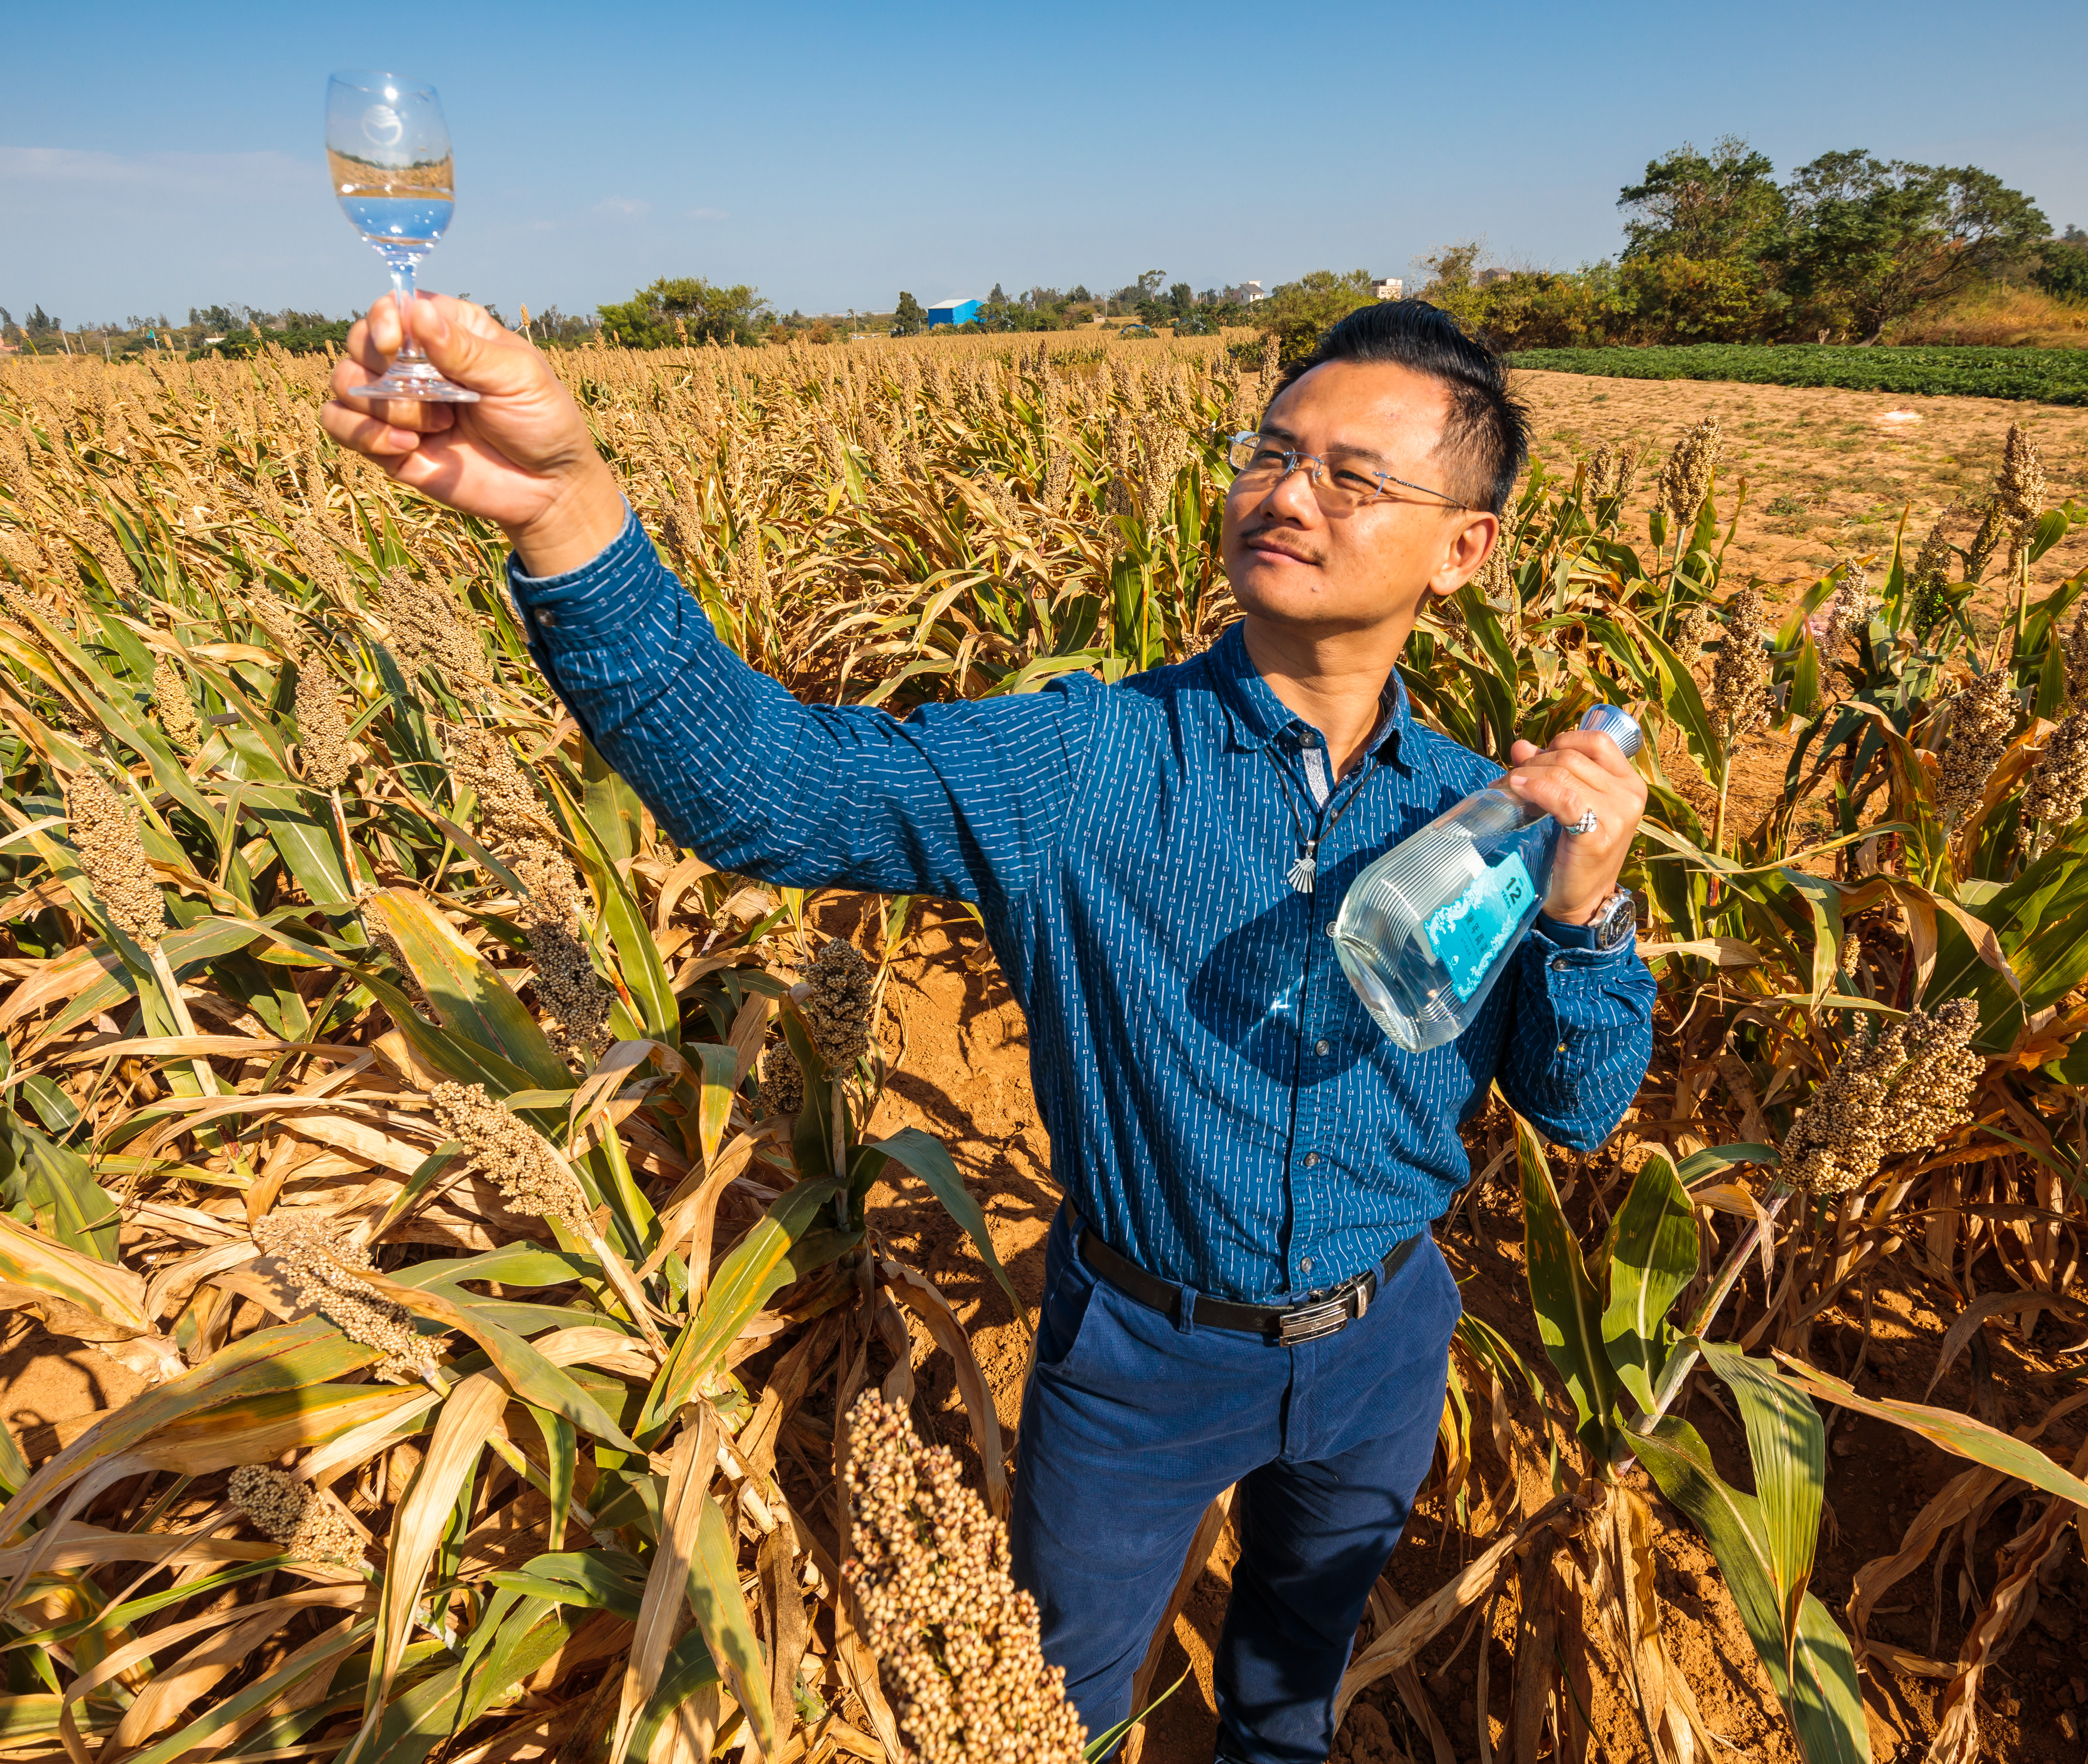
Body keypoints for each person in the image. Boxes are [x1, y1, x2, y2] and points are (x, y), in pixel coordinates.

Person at [324, 294, 1656, 1764]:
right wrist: (569, 512)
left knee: (1289, 1695)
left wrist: (1589, 912)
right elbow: (767, 788)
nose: (1286, 493)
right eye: (1271, 450)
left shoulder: (1485, 819)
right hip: (1142, 1356)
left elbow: (1581, 1107)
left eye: (1355, 476)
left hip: (1382, 1344)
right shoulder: (1084, 762)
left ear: (1462, 548)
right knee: (1056, 1710)